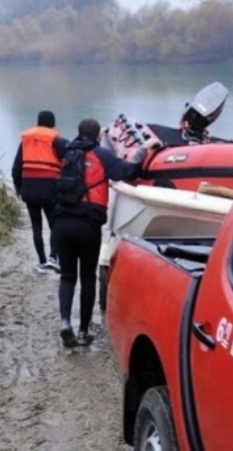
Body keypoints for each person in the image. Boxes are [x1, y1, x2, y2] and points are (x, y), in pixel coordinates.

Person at [55, 117, 145, 348]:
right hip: (88, 225)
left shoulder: (65, 151)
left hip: (62, 224)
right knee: (86, 278)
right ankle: (84, 331)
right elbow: (126, 172)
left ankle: (65, 321)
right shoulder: (102, 155)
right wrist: (141, 154)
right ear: (98, 136)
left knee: (67, 276)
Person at [12, 110, 68, 274]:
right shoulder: (56, 139)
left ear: (38, 123)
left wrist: (18, 187)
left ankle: (42, 262)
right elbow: (71, 160)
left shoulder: (26, 140)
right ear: (53, 124)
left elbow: (16, 167)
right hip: (50, 188)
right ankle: (53, 258)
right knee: (54, 225)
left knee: (36, 227)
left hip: (29, 189)